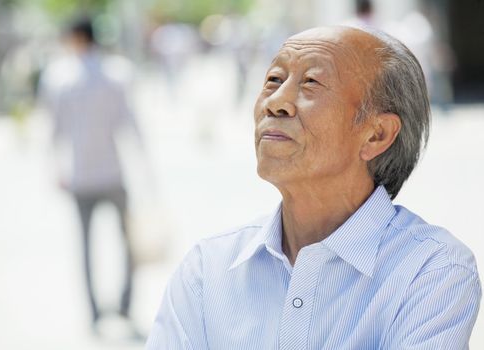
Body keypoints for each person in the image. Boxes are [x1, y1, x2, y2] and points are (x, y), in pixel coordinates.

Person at [146, 26, 481, 349]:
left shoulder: (431, 270)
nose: (275, 102)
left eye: (311, 83)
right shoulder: (208, 269)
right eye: (273, 80)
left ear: (376, 134)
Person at [39, 18, 139, 334]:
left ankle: (94, 312)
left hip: (79, 175)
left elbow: (52, 130)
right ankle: (124, 303)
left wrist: (55, 168)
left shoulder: (58, 77)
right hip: (113, 172)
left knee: (85, 248)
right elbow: (132, 125)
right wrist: (146, 172)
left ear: (75, 38)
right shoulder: (117, 74)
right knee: (128, 244)